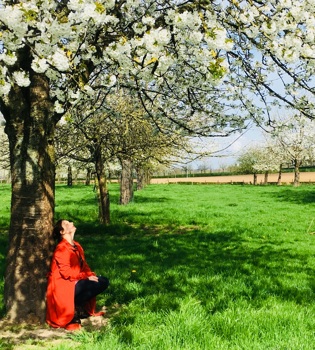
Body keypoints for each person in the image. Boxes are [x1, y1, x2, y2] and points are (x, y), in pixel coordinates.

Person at [46, 219, 109, 331]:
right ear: (62, 232)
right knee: (94, 283)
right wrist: (85, 276)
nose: (71, 223)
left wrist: (90, 274)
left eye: (69, 222)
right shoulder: (61, 249)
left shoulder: (76, 246)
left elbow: (84, 265)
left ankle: (78, 306)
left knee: (102, 281)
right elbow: (66, 273)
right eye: (66, 224)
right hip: (64, 285)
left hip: (75, 281)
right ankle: (73, 312)